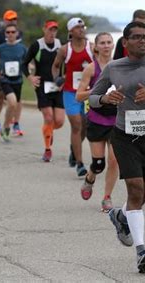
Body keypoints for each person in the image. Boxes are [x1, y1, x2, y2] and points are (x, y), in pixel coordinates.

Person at [89, 21, 145, 273]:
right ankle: (142, 251)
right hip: (123, 135)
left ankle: (121, 216)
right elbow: (92, 98)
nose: (143, 41)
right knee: (135, 187)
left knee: (143, 195)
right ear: (126, 42)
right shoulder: (114, 67)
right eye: (137, 37)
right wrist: (106, 98)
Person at [76, 32, 118, 212]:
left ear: (113, 45)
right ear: (97, 47)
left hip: (117, 120)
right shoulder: (91, 69)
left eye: (109, 42)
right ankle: (90, 178)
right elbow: (79, 95)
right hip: (97, 119)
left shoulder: (120, 67)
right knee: (99, 164)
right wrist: (95, 91)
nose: (106, 46)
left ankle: (107, 197)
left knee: (114, 161)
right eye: (103, 43)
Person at [52, 17, 93, 177]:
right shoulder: (64, 50)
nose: (81, 29)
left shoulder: (91, 48)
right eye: (77, 27)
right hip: (70, 92)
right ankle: (80, 164)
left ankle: (73, 150)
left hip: (88, 92)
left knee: (85, 126)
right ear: (71, 31)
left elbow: (100, 65)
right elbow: (55, 67)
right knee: (76, 125)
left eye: (83, 27)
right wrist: (57, 78)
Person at [22, 19, 64, 162]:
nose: (52, 32)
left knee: (59, 121)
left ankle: (49, 131)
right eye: (50, 29)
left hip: (58, 87)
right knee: (48, 117)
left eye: (55, 30)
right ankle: (47, 149)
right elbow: (24, 63)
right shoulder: (37, 45)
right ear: (44, 30)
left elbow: (67, 63)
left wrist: (64, 79)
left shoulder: (60, 45)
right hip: (42, 87)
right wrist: (30, 78)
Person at [0, 9, 24, 137]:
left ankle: (15, 123)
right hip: (3, 75)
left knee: (17, 100)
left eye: (14, 19)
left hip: (16, 74)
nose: (13, 21)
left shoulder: (20, 35)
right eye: (10, 19)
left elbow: (23, 54)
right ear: (4, 20)